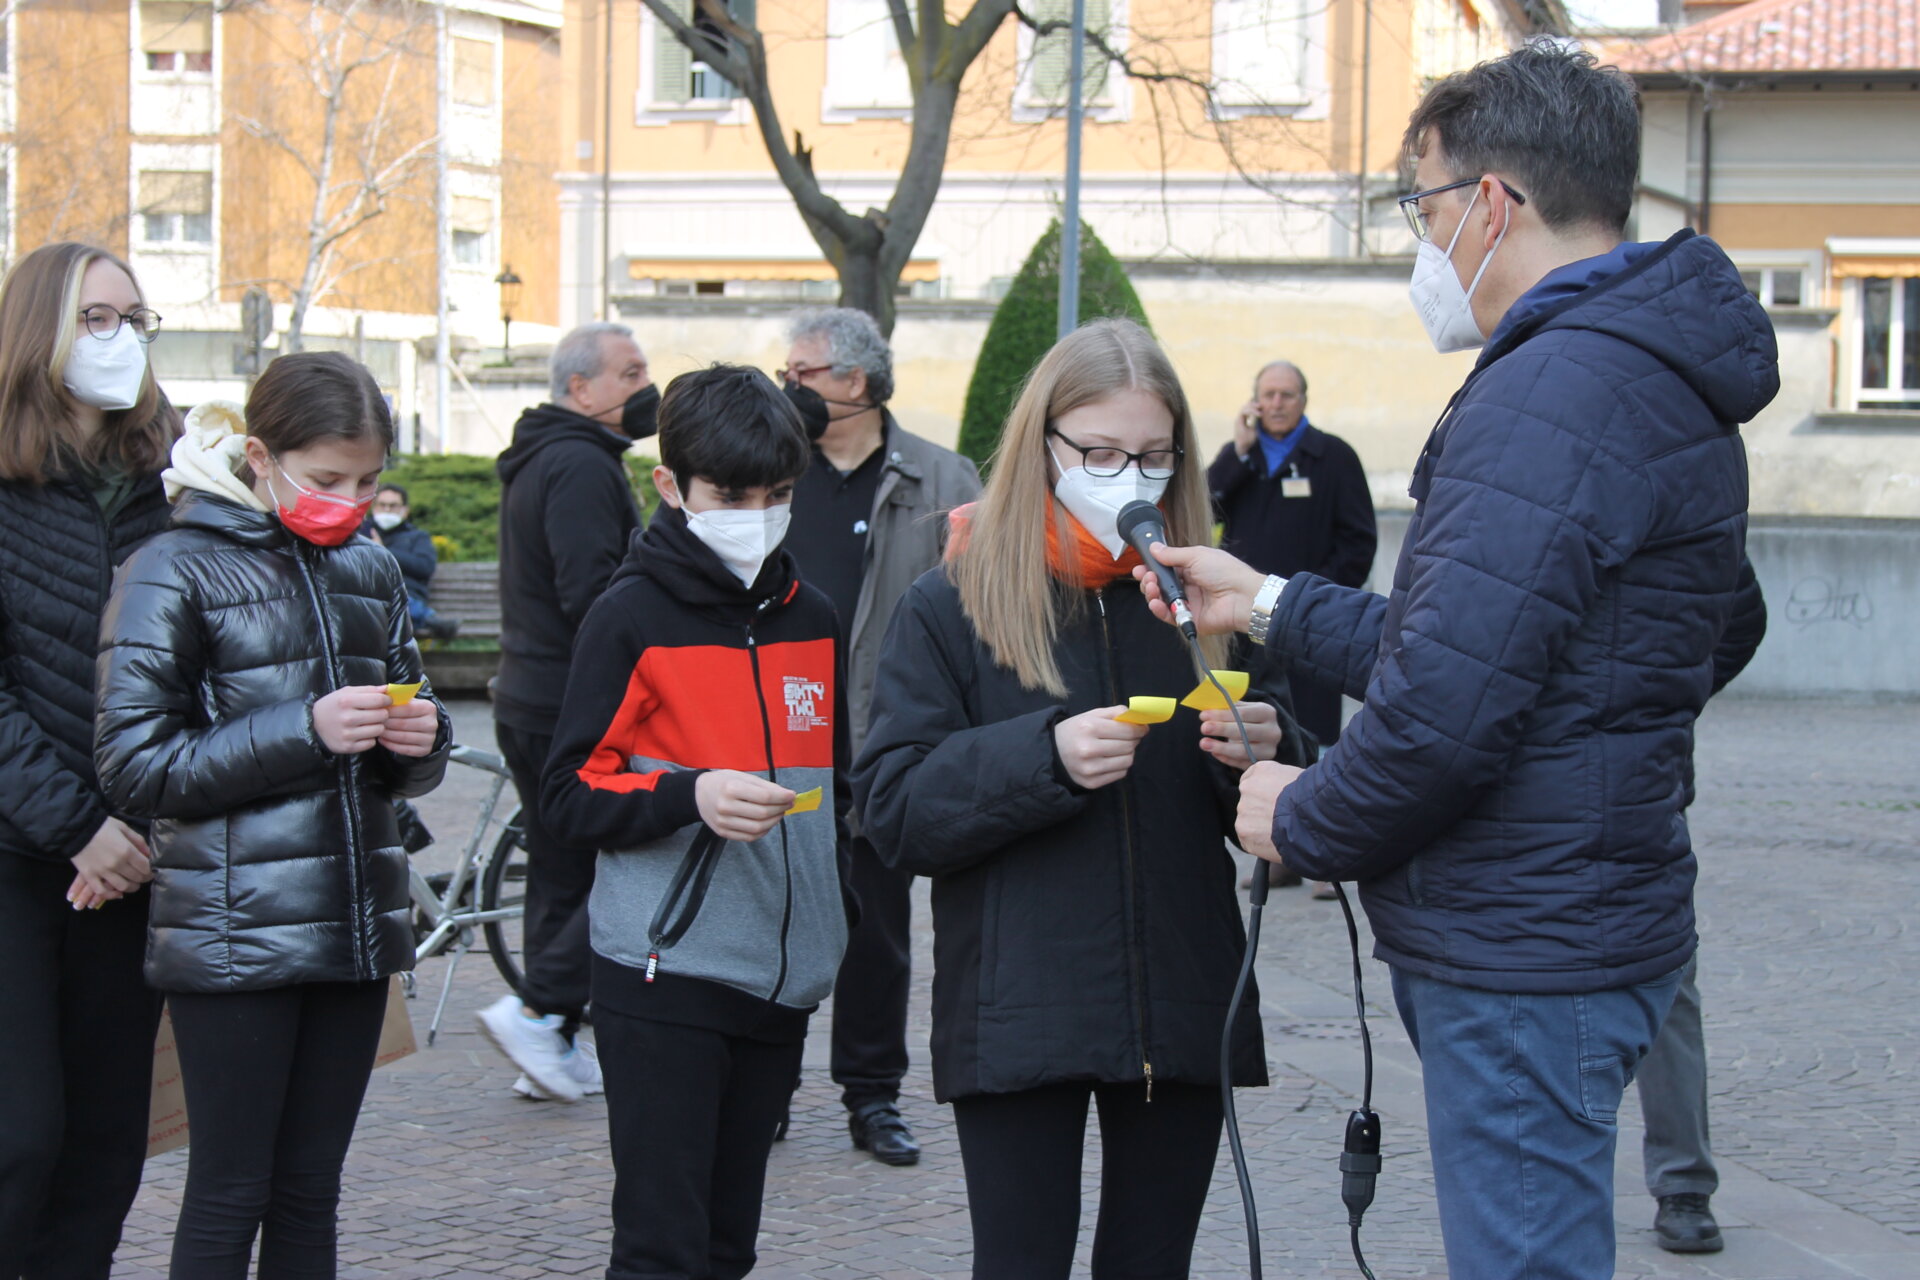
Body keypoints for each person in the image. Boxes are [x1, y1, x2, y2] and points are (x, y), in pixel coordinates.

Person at [1135, 44, 1777, 1280]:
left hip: (1526, 947)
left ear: (1491, 203)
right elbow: (1536, 648)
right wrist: (1265, 598)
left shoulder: (1556, 388)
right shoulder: (1644, 370)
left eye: (1418, 207)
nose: (1416, 244)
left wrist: (1300, 813)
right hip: (1576, 922)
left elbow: (1446, 714)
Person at [854, 319, 1299, 1280]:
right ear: (1042, 445)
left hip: (1181, 994)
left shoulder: (1204, 600)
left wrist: (1262, 751)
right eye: (1098, 452)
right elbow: (893, 809)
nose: (1126, 476)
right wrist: (1041, 757)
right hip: (1019, 1004)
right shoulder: (953, 601)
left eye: (1149, 455)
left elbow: (1282, 806)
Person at [93, 351, 451, 1278]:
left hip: (356, 927)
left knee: (311, 1190)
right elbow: (133, 765)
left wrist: (423, 741)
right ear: (259, 455)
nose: (353, 501)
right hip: (228, 933)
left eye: (369, 481)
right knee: (230, 1189)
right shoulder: (170, 566)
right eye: (329, 478)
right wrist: (304, 729)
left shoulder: (369, 565)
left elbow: (409, 746)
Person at [538, 364, 850, 1280]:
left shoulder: (814, 619)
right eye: (731, 494)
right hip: (664, 974)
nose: (755, 512)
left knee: (727, 1247)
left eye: (778, 494)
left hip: (781, 978)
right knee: (661, 1250)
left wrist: (836, 919)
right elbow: (564, 794)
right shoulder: (627, 616)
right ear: (670, 486)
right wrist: (690, 794)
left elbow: (828, 788)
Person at [0, 242, 178, 1280]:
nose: (121, 340)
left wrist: (137, 830)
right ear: (43, 334)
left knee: (108, 1145)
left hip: (136, 863)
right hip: (25, 855)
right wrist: (78, 825)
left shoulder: (174, 483)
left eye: (135, 319)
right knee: (21, 1136)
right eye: (97, 319)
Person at [779, 306, 982, 1165]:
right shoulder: (768, 471)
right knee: (775, 925)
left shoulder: (943, 480)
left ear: (854, 383)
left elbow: (979, 615)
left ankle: (872, 1096)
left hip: (885, 746)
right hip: (781, 744)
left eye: (802, 375)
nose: (787, 387)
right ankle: (769, 1092)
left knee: (879, 934)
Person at [478, 321, 655, 1101]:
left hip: (529, 694)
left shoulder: (545, 457)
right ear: (581, 390)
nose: (645, 387)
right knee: (606, 867)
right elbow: (593, 594)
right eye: (629, 373)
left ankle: (547, 1041)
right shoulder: (581, 466)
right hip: (567, 703)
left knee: (557, 866)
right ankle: (540, 1008)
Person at [1638, 558, 1766, 1256]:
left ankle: (1684, 1183)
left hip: (1643, 786)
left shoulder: (1666, 468)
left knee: (1667, 984)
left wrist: (1664, 697)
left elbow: (1741, 613)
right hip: (1522, 788)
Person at [1209, 359, 1375, 896]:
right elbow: (1207, 505)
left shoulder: (1333, 457)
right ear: (1253, 403)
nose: (1276, 404)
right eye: (1267, 396)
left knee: (1320, 734)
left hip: (1312, 621)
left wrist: (1318, 600)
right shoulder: (1242, 457)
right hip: (1249, 626)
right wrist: (1236, 450)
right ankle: (1280, 850)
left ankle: (1326, 854)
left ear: (1304, 399)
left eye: (1286, 395)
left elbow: (1358, 539)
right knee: (1271, 725)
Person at [367, 482, 458, 639]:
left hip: (407, 594)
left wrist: (384, 552)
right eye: (382, 505)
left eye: (393, 505)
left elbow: (425, 567)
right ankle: (427, 618)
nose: (387, 510)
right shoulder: (363, 534)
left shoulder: (417, 537)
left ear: (405, 510)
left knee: (395, 603)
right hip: (369, 595)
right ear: (374, 507)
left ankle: (420, 617)